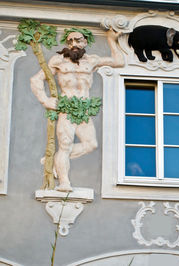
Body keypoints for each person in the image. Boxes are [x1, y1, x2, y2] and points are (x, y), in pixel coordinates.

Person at [30, 28, 124, 192]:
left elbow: (119, 61)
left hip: (84, 109)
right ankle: (65, 183)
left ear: (85, 42)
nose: (73, 44)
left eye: (78, 40)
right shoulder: (58, 61)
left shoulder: (92, 60)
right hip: (66, 108)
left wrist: (111, 39)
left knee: (91, 145)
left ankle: (52, 161)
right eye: (70, 41)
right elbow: (36, 79)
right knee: (65, 147)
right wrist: (45, 100)